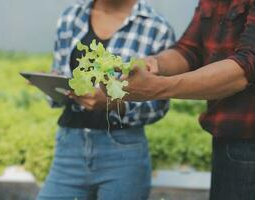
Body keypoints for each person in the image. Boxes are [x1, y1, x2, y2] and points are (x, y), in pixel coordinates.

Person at [122, 0, 255, 199]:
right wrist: (154, 64)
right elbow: (189, 49)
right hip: (228, 141)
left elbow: (247, 68)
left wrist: (158, 88)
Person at [37, 0, 175, 199]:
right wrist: (50, 84)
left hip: (123, 151)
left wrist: (115, 103)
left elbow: (159, 105)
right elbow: (61, 74)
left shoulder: (156, 27)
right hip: (69, 146)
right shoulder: (72, 16)